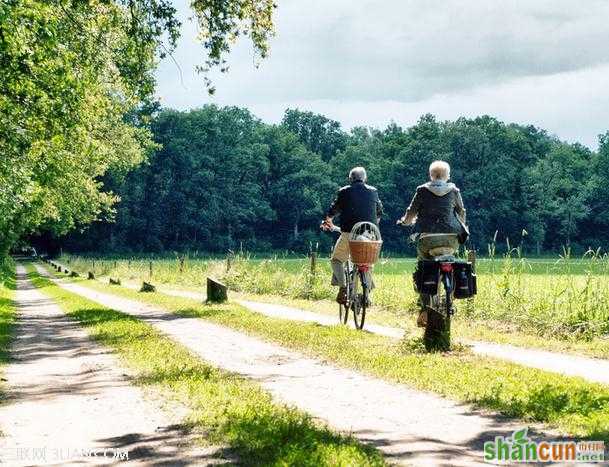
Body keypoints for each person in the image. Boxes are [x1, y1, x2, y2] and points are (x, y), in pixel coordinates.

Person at [397, 160, 467, 325]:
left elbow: (411, 213)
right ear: (447, 176)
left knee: (423, 266)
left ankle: (425, 307)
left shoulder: (421, 190)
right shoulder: (454, 190)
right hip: (451, 237)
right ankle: (449, 298)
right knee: (451, 258)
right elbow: (461, 212)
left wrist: (405, 222)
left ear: (431, 175)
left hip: (427, 239)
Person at [322, 167, 383, 304]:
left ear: (350, 179)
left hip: (349, 234)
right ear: (365, 178)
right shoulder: (373, 191)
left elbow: (333, 210)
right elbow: (379, 213)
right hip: (370, 234)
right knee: (367, 263)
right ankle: (366, 296)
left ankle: (343, 287)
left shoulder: (344, 191)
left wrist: (328, 221)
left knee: (336, 260)